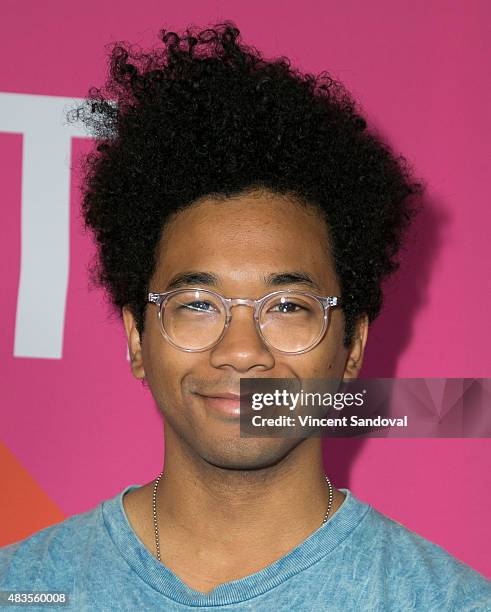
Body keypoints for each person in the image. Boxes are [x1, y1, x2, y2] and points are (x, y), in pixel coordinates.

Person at [1, 21, 489, 611]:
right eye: (198, 304)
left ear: (353, 344)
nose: (239, 350)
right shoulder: (22, 588)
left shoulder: (447, 602)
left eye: (286, 306)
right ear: (136, 337)